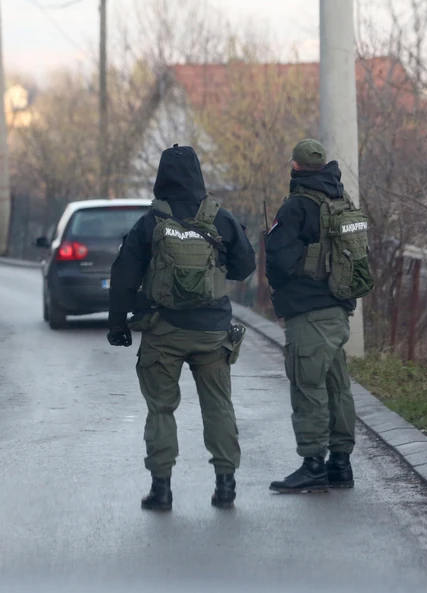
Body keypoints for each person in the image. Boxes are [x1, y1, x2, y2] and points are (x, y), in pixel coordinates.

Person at [107, 144, 256, 511]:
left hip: (164, 331)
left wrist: (118, 324)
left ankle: (161, 490)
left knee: (160, 409)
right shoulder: (220, 219)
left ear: (161, 177)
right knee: (218, 406)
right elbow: (245, 267)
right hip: (213, 331)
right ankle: (225, 485)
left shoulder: (151, 222)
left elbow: (124, 276)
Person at [265, 139, 361, 494]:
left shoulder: (297, 206)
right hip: (338, 308)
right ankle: (341, 464)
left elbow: (279, 261)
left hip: (308, 311)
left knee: (308, 388)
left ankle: (313, 465)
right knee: (338, 387)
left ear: (295, 167)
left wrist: (283, 297)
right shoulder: (341, 200)